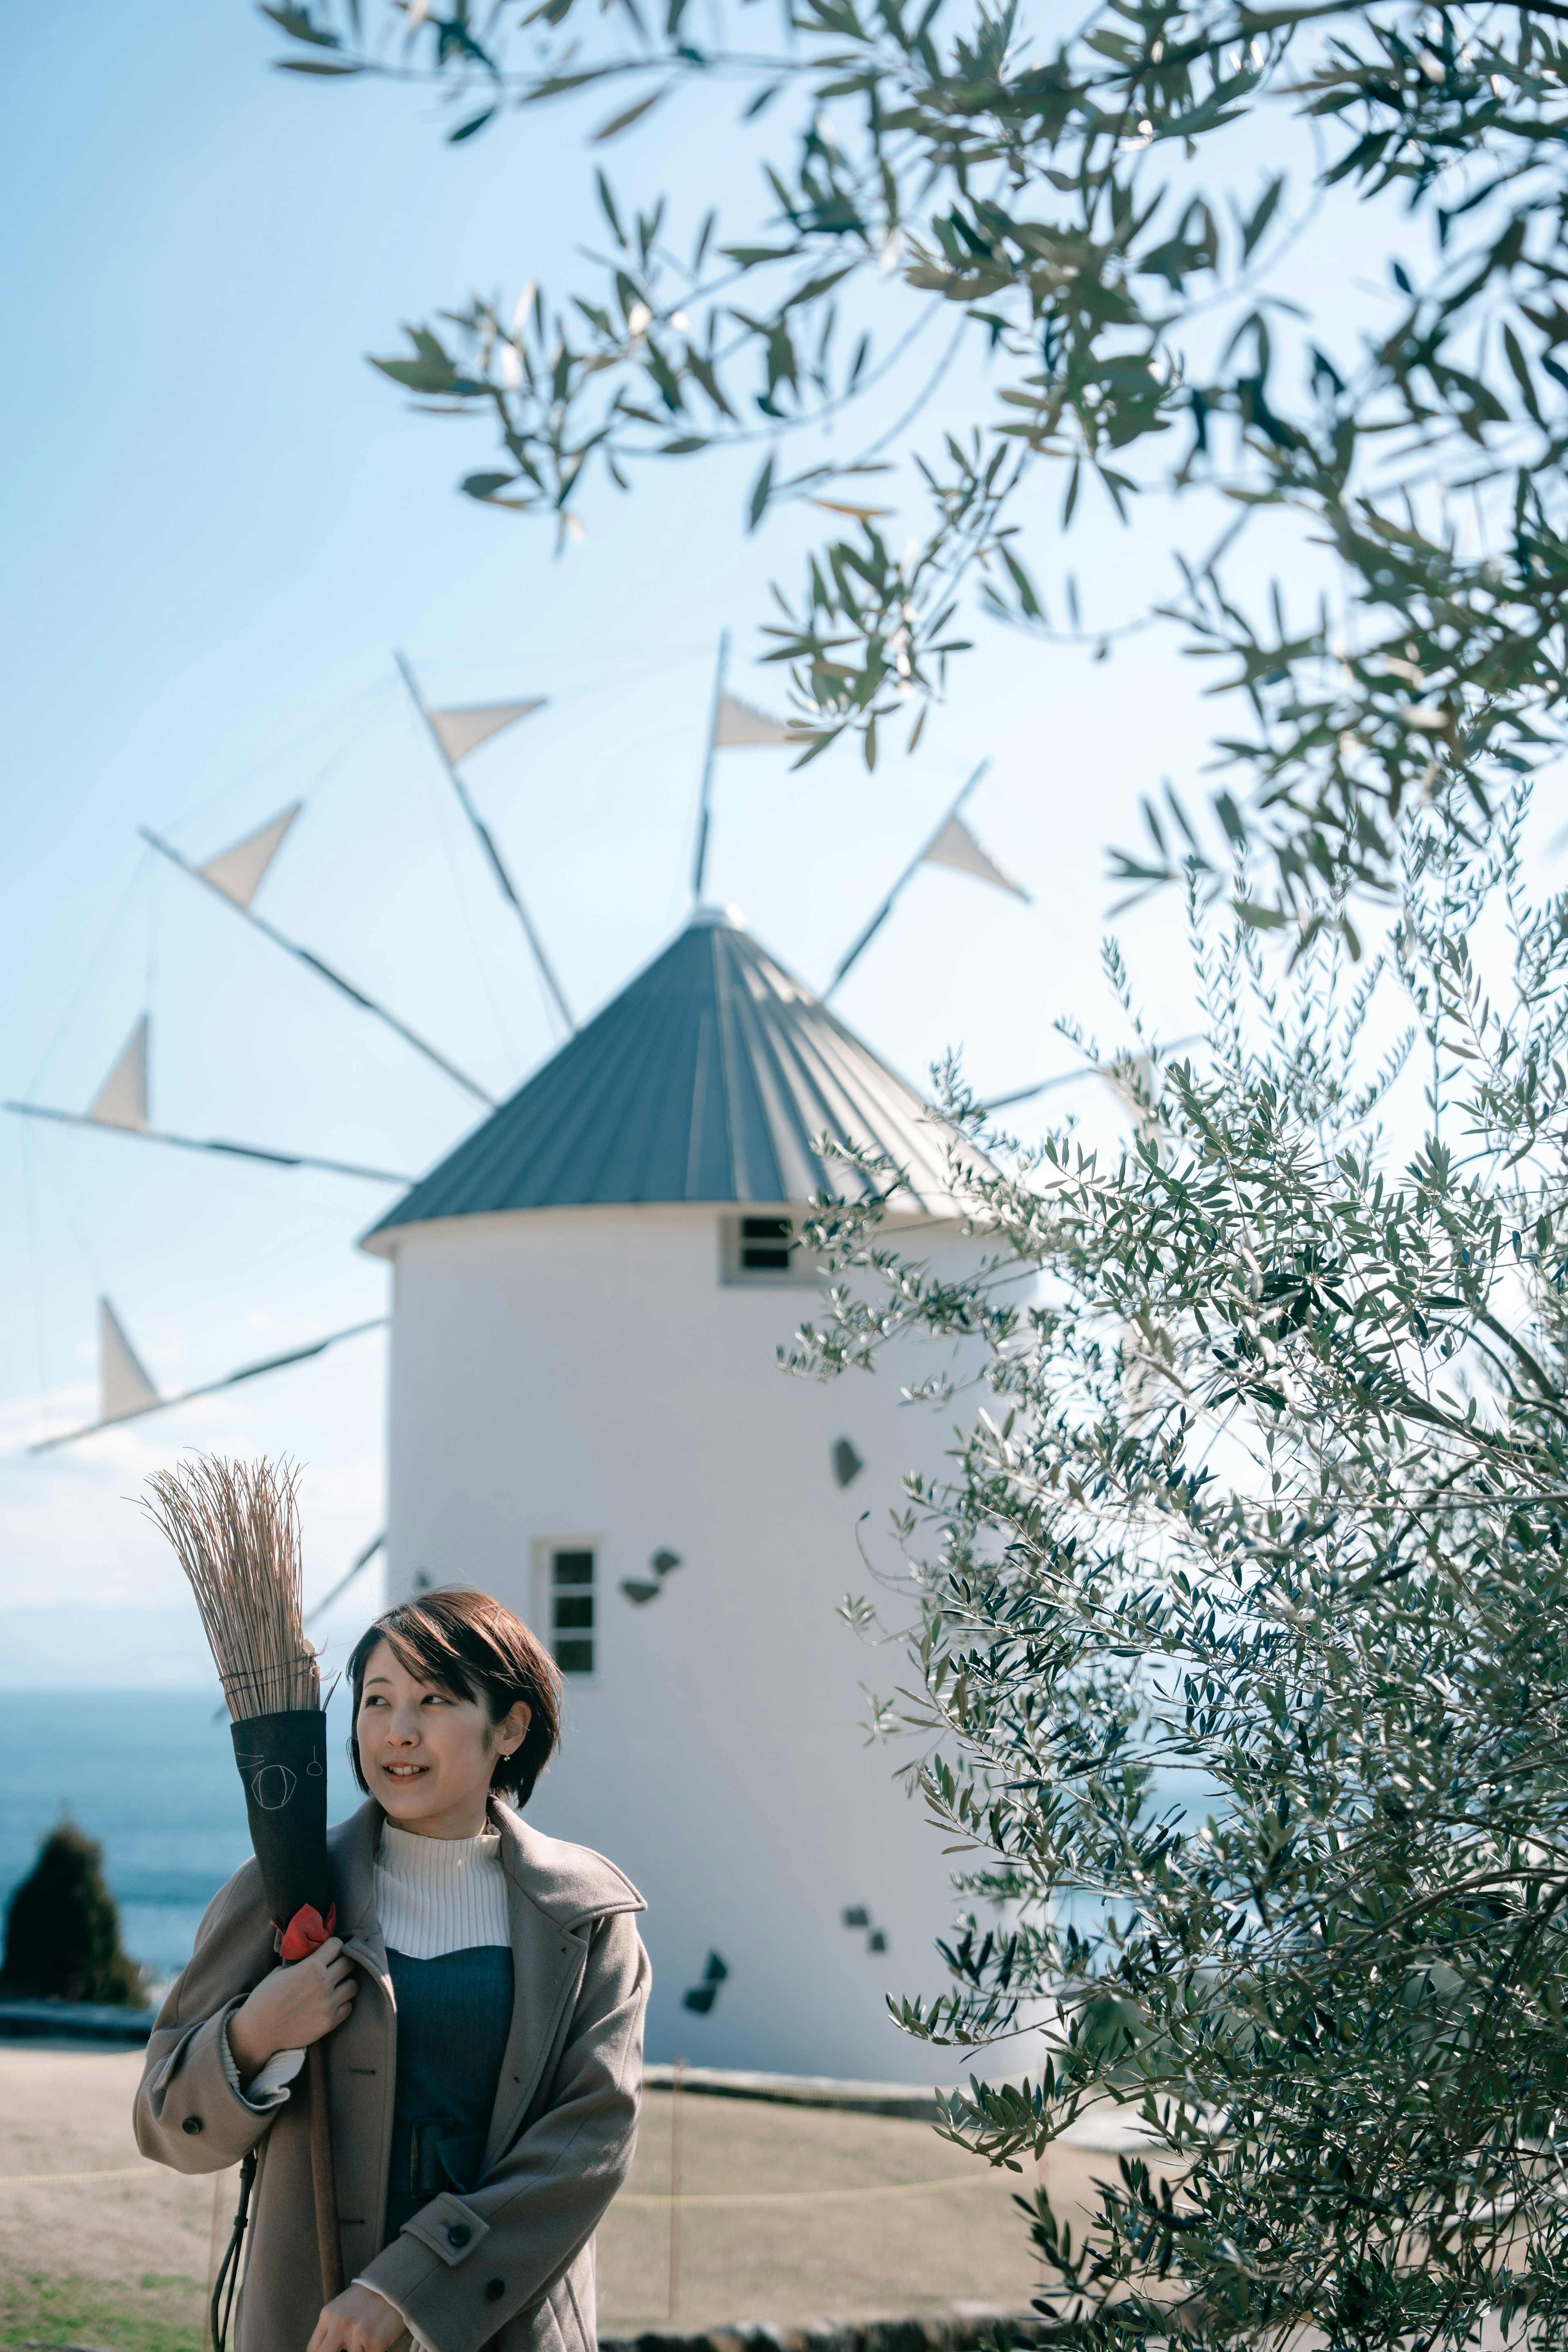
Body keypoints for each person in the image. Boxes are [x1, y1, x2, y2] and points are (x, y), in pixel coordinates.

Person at [135, 1588, 650, 2352]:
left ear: (510, 1727)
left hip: (512, 2325)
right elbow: (166, 2124)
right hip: (313, 2325)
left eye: (435, 1699)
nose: (397, 1732)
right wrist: (254, 2035)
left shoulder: (585, 1917)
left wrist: (403, 2290)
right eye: (377, 1701)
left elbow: (592, 2137)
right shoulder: (278, 1889)